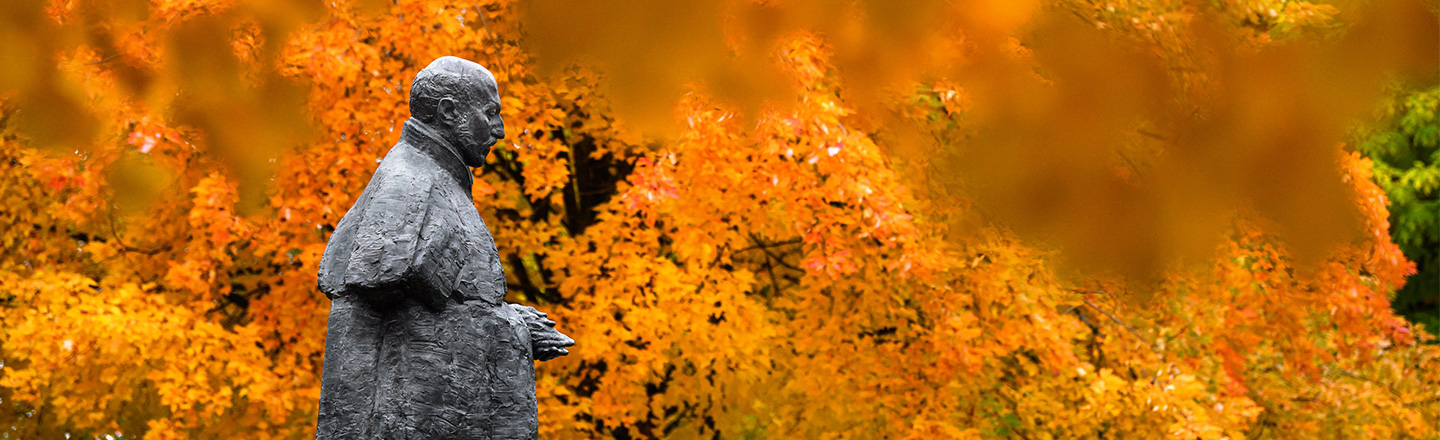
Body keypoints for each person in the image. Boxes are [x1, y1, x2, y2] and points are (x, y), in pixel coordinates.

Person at [315, 56, 573, 439]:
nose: (499, 130)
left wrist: (507, 318)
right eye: (490, 114)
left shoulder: (435, 180)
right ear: (449, 112)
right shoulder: (410, 182)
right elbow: (384, 283)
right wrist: (513, 327)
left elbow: (428, 302)